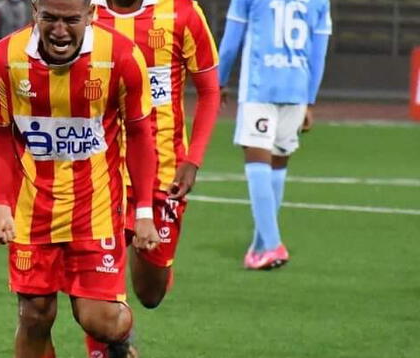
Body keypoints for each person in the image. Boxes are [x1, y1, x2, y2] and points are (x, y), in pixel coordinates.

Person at [0, 0, 161, 357]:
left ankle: (120, 344)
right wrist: (0, 206)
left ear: (91, 15)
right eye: (49, 18)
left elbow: (140, 135)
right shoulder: (5, 58)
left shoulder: (121, 57)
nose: (59, 31)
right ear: (35, 11)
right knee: (34, 315)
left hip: (95, 210)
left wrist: (143, 213)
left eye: (70, 20)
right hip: (32, 210)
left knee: (100, 320)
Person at [86, 0, 221, 356]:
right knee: (98, 282)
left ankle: (144, 285)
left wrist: (193, 160)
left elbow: (209, 90)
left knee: (150, 293)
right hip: (101, 174)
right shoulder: (86, 12)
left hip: (165, 174)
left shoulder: (181, 11)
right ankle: (111, 345)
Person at [218, 0, 332, 270]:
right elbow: (319, 52)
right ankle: (260, 248)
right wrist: (310, 100)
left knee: (257, 160)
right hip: (296, 88)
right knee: (278, 163)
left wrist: (219, 79)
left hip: (260, 87)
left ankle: (272, 245)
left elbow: (232, 40)